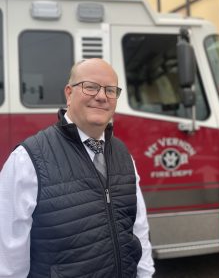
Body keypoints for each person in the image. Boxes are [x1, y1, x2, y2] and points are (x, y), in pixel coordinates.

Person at [0, 58, 155, 278]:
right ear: (69, 93)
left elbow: (139, 229)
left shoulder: (123, 155)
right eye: (90, 87)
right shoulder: (26, 160)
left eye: (110, 90)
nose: (101, 96)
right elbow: (8, 261)